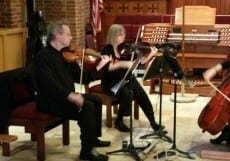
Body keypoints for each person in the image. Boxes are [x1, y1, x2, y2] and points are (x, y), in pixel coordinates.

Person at [34, 19, 111, 161]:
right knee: (87, 106)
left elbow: (83, 79)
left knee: (96, 99)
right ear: (57, 35)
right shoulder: (43, 57)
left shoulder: (67, 56)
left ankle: (92, 139)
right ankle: (86, 152)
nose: (71, 37)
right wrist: (71, 96)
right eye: (68, 34)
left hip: (65, 97)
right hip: (50, 101)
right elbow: (49, 85)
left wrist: (101, 64)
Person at [100, 24, 164, 132]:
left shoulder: (126, 48)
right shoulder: (106, 50)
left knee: (142, 95)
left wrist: (151, 54)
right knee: (127, 94)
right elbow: (108, 67)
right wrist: (124, 64)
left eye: (124, 34)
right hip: (111, 82)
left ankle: (153, 122)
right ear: (113, 36)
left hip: (126, 78)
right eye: (120, 35)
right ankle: (118, 121)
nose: (123, 36)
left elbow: (141, 62)